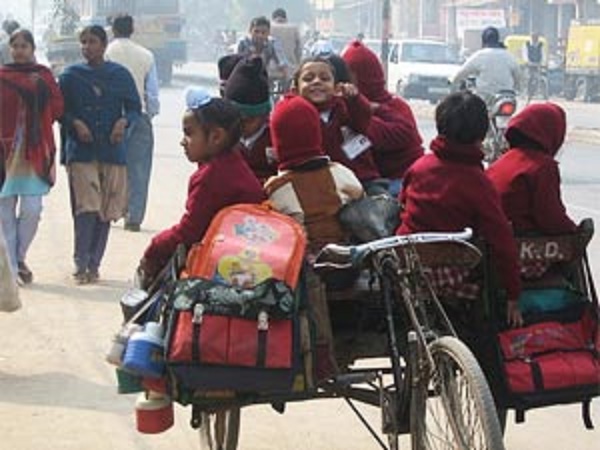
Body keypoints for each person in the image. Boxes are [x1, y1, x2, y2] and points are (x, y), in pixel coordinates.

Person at [397, 91, 522, 328]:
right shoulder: (478, 181)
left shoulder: (419, 167)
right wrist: (513, 294)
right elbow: (501, 239)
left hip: (409, 264)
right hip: (452, 272)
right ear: (481, 134)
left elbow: (402, 205)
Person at [264, 94, 365, 379]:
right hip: (348, 265)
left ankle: (319, 354)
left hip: (311, 274)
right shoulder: (341, 173)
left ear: (278, 143)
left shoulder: (276, 189)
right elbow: (360, 200)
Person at [138, 88, 265, 284]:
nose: (183, 142)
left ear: (216, 137)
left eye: (189, 133)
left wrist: (154, 249)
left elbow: (189, 232)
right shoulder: (231, 162)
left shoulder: (212, 175)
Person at [59, 25, 141, 284]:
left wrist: (123, 123)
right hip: (81, 151)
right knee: (86, 208)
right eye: (83, 42)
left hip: (111, 150)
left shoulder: (120, 75)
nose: (87, 47)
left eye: (92, 41)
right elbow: (60, 110)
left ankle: (95, 264)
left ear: (104, 45)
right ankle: (80, 262)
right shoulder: (70, 76)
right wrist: (75, 123)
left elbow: (135, 109)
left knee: (105, 210)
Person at [0, 29, 64, 284]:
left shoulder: (43, 76)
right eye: (15, 46)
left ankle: (18, 256)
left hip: (34, 152)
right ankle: (13, 268)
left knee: (32, 210)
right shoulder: (2, 76)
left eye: (24, 46)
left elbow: (58, 107)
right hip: (5, 154)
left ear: (32, 49)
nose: (19, 50)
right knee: (4, 214)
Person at [342, 40, 424, 197]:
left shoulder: (395, 106)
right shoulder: (343, 107)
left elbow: (397, 134)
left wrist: (364, 108)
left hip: (400, 180)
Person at [292, 56, 381, 193]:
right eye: (308, 79)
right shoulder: (294, 116)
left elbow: (363, 118)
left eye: (325, 78)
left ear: (336, 87)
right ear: (296, 89)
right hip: (320, 185)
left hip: (362, 180)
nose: (317, 82)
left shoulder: (346, 108)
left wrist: (355, 99)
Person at [105, 14, 160, 232]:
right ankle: (134, 217)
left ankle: (109, 210)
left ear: (113, 29)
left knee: (110, 167)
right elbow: (152, 93)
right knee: (139, 170)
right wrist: (149, 115)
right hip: (139, 117)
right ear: (132, 29)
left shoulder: (106, 53)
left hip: (110, 117)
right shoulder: (146, 55)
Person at [486, 102, 576, 236]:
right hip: (517, 235)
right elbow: (552, 218)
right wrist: (576, 230)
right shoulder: (542, 166)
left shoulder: (503, 160)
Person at [222, 56, 277, 183]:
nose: (241, 125)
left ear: (265, 115)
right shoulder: (220, 138)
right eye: (236, 119)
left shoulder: (276, 139)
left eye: (249, 120)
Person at [452, 26, 521, 105]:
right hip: (506, 97)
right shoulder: (509, 56)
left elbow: (461, 73)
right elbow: (518, 76)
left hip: (484, 97)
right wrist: (517, 89)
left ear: (483, 40)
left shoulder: (480, 55)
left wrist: (453, 83)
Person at [236, 16, 288, 82]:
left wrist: (286, 77)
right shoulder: (243, 43)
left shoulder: (272, 43)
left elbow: (282, 62)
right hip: (244, 75)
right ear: (250, 31)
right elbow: (235, 62)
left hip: (263, 76)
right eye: (256, 32)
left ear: (268, 33)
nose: (260, 35)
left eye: (263, 32)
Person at [270, 8, 302, 74]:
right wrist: (298, 64)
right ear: (285, 17)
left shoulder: (269, 28)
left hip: (272, 68)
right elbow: (299, 50)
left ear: (273, 18)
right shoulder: (294, 28)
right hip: (291, 67)